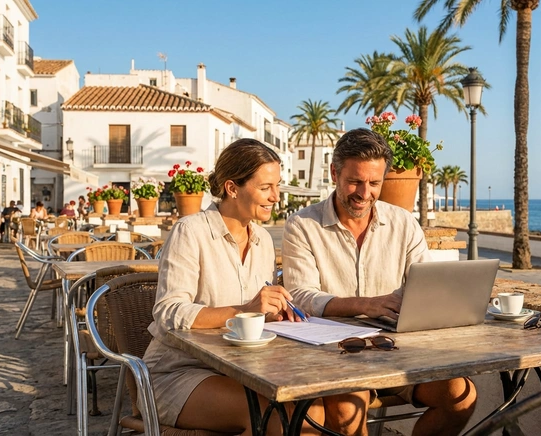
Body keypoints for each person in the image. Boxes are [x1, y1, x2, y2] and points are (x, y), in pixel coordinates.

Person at [282, 128, 478, 436]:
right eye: (355, 181)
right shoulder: (302, 225)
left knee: (461, 397)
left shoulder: (404, 223)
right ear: (334, 174)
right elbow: (300, 296)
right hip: (334, 355)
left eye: (374, 183)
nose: (365, 193)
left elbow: (427, 284)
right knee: (347, 411)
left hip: (397, 353)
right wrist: (366, 305)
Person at [145, 138, 324, 435]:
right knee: (274, 417)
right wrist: (245, 310)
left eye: (277, 186)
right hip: (180, 372)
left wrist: (275, 313)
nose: (275, 197)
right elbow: (168, 312)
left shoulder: (263, 240)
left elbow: (257, 314)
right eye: (265, 188)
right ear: (232, 188)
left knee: (312, 409)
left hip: (245, 369)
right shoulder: (190, 232)